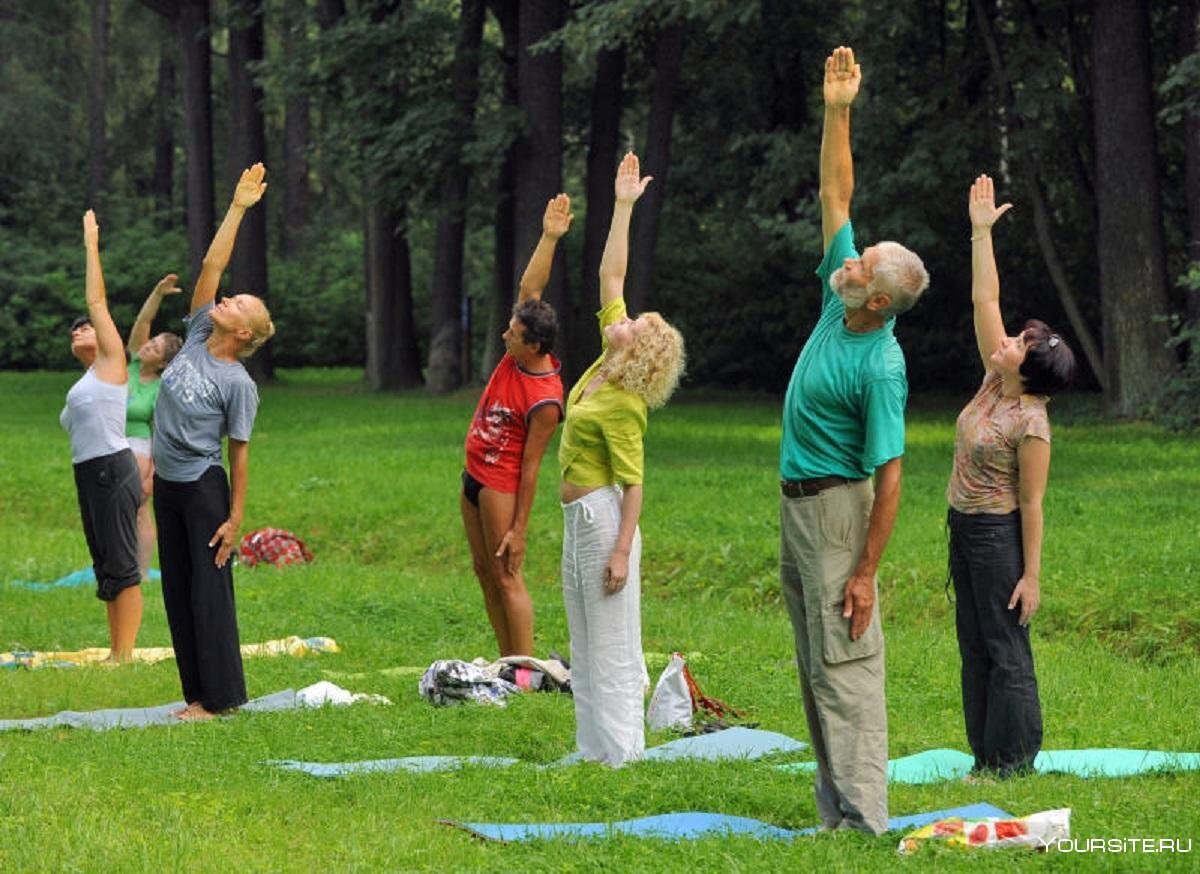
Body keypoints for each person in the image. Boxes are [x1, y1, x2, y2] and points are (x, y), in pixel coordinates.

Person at [778, 46, 930, 834]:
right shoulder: (843, 299)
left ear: (878, 296)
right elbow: (837, 192)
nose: (850, 255)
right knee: (815, 661)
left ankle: (867, 818)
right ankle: (834, 809)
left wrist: (867, 571)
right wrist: (838, 109)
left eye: (862, 262)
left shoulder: (883, 367)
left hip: (840, 511)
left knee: (847, 662)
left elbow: (893, 476)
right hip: (798, 507)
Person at [558, 152, 685, 767]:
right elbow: (612, 277)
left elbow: (634, 486)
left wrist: (618, 552)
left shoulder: (627, 402)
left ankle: (623, 756)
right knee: (583, 643)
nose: (624, 316)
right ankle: (593, 752)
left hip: (606, 524)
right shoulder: (606, 366)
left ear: (641, 352)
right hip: (577, 522)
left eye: (635, 322)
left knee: (610, 644)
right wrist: (624, 205)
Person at [947, 174, 1075, 777]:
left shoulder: (1032, 423)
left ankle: (1015, 761)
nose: (1006, 341)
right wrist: (980, 234)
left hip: (997, 539)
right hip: (962, 530)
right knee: (974, 651)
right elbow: (984, 302)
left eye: (1019, 345)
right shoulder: (995, 382)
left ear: (1031, 371)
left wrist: (1032, 576)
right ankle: (985, 759)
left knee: (1005, 651)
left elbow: (1033, 502)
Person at [152, 163, 274, 721]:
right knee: (177, 591)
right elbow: (210, 264)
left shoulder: (237, 382)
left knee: (209, 593)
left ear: (243, 333)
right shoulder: (200, 334)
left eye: (237, 304)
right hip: (169, 486)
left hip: (204, 488)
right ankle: (197, 697)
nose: (225, 299)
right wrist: (238, 207)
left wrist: (236, 517)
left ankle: (223, 698)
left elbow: (240, 452)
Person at [462, 194, 571, 657]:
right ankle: (507, 661)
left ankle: (524, 674)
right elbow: (531, 285)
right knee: (484, 571)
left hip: (501, 484)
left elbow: (531, 468)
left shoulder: (545, 398)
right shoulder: (518, 347)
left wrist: (519, 529)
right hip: (473, 474)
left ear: (534, 346)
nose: (505, 333)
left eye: (513, 333)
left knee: (507, 573)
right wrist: (549, 236)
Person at [61, 210, 143, 661]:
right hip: (89, 472)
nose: (80, 330)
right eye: (74, 331)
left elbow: (97, 303)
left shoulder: (113, 362)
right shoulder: (84, 383)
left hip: (113, 467)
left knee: (123, 562)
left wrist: (91, 245)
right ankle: (116, 652)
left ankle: (124, 657)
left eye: (85, 327)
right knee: (105, 564)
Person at [125, 275, 184, 582]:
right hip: (108, 440)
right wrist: (157, 293)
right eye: (151, 342)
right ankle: (119, 564)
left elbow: (163, 431)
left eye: (155, 348)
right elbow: (143, 321)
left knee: (138, 508)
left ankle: (142, 571)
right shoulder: (132, 363)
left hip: (138, 446)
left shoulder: (161, 389)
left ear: (163, 363)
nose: (148, 346)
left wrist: (152, 474)